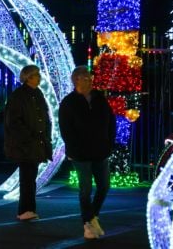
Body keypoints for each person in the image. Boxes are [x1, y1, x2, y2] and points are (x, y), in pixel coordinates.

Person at [59, 65, 116, 239]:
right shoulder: (69, 102)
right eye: (86, 78)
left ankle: (92, 217)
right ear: (76, 80)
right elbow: (65, 128)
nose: (90, 81)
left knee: (104, 185)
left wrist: (109, 144)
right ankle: (88, 222)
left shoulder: (100, 98)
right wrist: (73, 147)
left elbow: (110, 121)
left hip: (100, 150)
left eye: (90, 78)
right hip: (80, 152)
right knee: (85, 188)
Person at [3, 65, 51, 221]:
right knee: (27, 178)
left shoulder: (37, 94)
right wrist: (28, 136)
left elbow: (43, 116)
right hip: (25, 145)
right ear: (28, 77)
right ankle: (25, 210)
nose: (39, 78)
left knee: (31, 177)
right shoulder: (19, 96)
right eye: (36, 75)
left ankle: (29, 209)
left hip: (35, 143)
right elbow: (13, 121)